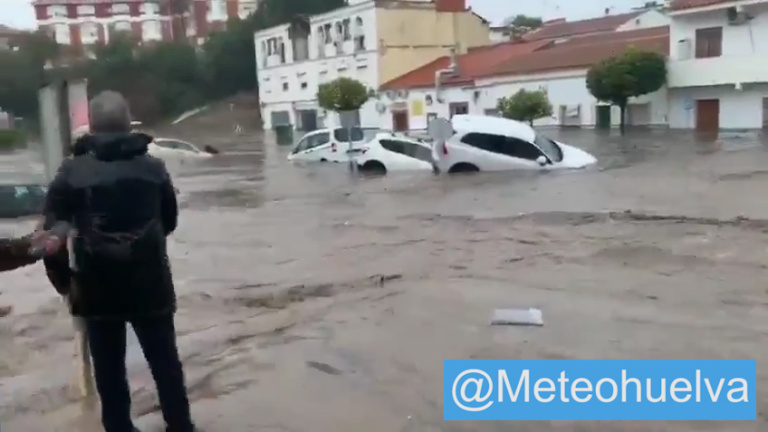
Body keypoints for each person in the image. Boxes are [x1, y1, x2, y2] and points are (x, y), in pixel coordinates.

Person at [43, 90, 196, 432]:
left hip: (96, 287)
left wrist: (66, 285)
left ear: (92, 126)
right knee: (166, 364)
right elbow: (169, 220)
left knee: (109, 371)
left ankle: (119, 426)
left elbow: (52, 236)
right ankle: (180, 425)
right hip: (150, 283)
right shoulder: (154, 168)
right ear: (128, 124)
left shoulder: (71, 172)